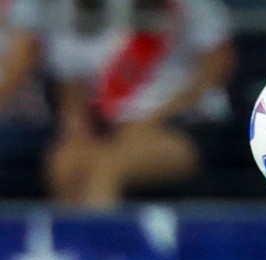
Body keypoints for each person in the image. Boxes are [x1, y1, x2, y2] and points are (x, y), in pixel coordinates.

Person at [8, 0, 234, 208]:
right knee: (65, 164)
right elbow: (73, 84)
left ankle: (105, 251)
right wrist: (76, 130)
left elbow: (218, 66)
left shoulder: (189, 6)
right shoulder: (80, 8)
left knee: (106, 169)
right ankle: (74, 250)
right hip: (111, 126)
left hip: (182, 125)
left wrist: (155, 120)